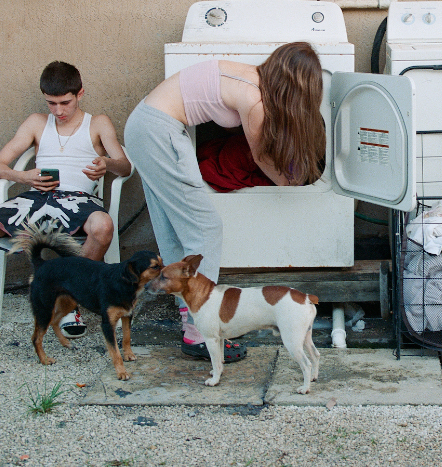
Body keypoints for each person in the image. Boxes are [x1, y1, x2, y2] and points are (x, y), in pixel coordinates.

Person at [124, 41, 325, 362]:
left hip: (151, 125)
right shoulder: (255, 100)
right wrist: (291, 183)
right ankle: (199, 333)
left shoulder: (251, 77)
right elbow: (261, 158)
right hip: (157, 130)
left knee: (176, 230)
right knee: (205, 226)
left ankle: (188, 317)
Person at [0, 62, 132, 370]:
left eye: (66, 102)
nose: (59, 110)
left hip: (78, 201)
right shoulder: (37, 122)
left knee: (103, 225)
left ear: (80, 94)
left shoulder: (97, 122)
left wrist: (106, 163)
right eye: (51, 103)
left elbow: (125, 166)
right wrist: (25, 177)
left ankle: (70, 298)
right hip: (35, 198)